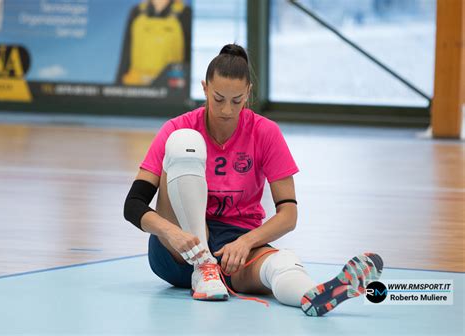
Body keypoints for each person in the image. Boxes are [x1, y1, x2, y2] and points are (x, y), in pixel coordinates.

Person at [123, 43, 383, 317]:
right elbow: (133, 204)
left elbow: (288, 214)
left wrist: (247, 242)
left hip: (235, 243)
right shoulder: (177, 127)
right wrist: (171, 233)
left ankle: (313, 296)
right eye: (218, 98)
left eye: (237, 101)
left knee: (280, 264)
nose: (226, 109)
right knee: (184, 142)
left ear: (248, 93)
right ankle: (203, 268)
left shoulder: (265, 132)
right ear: (204, 88)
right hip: (178, 248)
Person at [116, 0, 191, 86]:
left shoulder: (185, 13)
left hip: (169, 88)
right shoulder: (136, 12)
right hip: (136, 88)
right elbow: (125, 57)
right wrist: (117, 88)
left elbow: (188, 60)